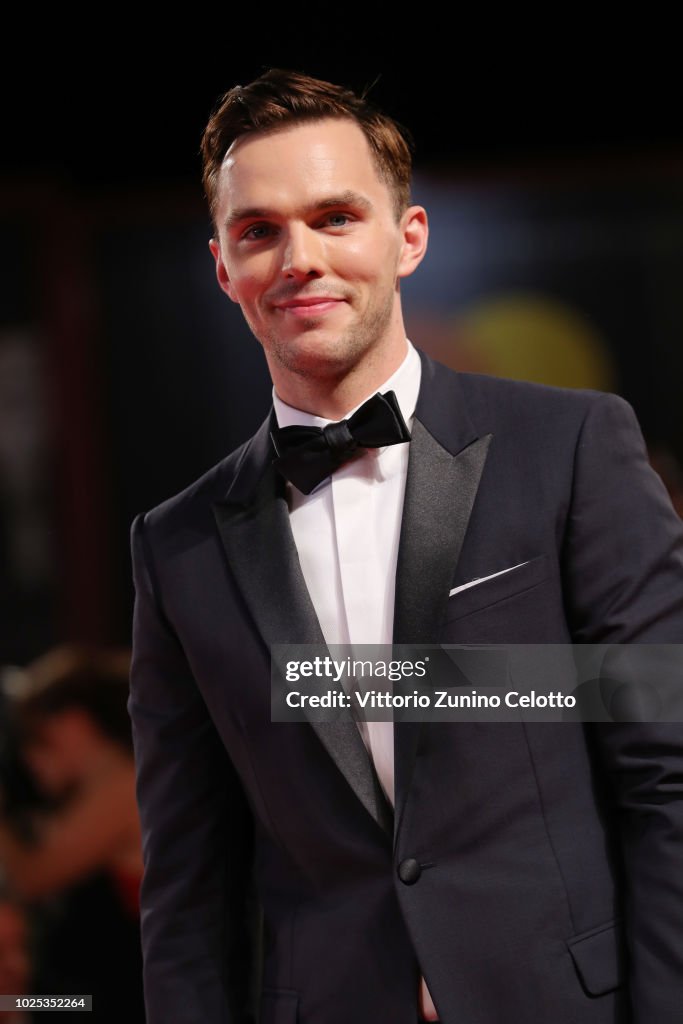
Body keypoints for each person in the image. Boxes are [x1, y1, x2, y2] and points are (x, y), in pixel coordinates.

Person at [128, 68, 683, 1024]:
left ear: (407, 239)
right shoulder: (175, 545)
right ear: (223, 267)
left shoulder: (571, 448)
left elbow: (665, 776)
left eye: (335, 216)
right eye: (258, 230)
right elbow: (187, 873)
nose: (298, 256)